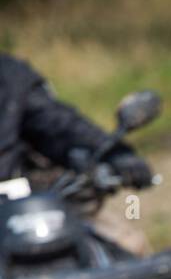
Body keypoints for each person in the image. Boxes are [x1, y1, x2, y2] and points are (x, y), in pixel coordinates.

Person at [0, 53, 152, 186]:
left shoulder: (9, 76)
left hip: (13, 206)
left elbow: (59, 125)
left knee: (98, 216)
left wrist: (112, 152)